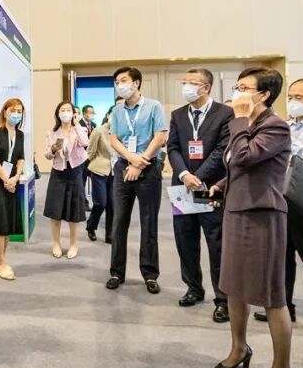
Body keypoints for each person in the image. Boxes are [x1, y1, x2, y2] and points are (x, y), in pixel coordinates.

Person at [208, 68, 294, 368]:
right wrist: (221, 185)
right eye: (237, 87)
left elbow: (245, 156)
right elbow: (236, 164)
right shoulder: (245, 125)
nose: (237, 93)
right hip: (235, 211)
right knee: (233, 287)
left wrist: (241, 120)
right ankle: (239, 348)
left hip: (262, 217)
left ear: (264, 95)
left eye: (244, 88)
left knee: (272, 297)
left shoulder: (275, 126)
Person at [255, 78, 303, 342]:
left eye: (299, 97)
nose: (293, 102)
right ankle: (283, 306)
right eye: (290, 97)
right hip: (278, 197)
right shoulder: (285, 125)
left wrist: (289, 145)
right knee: (280, 256)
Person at [167, 68, 233, 321]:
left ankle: (223, 299)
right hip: (183, 187)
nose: (186, 87)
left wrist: (199, 177)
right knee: (185, 240)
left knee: (216, 242)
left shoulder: (224, 113)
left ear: (206, 87)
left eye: (192, 83)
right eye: (184, 82)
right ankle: (194, 287)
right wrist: (185, 174)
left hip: (210, 187)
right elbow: (173, 147)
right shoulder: (178, 115)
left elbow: (222, 149)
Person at [105, 67, 169, 293]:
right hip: (124, 166)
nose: (119, 85)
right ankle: (116, 272)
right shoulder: (117, 110)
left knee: (148, 222)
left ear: (137, 83)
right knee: (118, 222)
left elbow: (160, 136)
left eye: (123, 80)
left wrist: (140, 162)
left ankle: (150, 274)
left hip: (149, 167)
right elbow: (114, 139)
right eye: (116, 82)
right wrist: (131, 159)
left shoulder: (154, 106)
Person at [43, 101, 89, 259]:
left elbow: (85, 142)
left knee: (74, 211)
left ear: (73, 113)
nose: (65, 113)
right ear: (58, 114)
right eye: (62, 110)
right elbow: (47, 155)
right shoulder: (52, 133)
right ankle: (56, 243)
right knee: (55, 211)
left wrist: (76, 124)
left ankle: (73, 244)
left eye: (69, 110)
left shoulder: (80, 129)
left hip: (75, 172)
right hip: (58, 173)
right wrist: (53, 149)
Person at [0, 98, 26, 281]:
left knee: (8, 225)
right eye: (13, 110)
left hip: (12, 181)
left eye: (19, 111)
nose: (16, 114)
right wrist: (6, 179)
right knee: (0, 225)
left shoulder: (20, 134)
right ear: (5, 112)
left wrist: (15, 178)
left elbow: (21, 159)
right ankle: (0, 263)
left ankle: (0, 261)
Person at [85, 106, 115, 243]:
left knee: (112, 204)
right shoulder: (98, 131)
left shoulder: (121, 132)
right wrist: (92, 165)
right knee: (101, 202)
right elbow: (90, 152)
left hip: (114, 172)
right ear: (108, 115)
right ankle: (91, 226)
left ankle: (110, 234)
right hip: (99, 170)